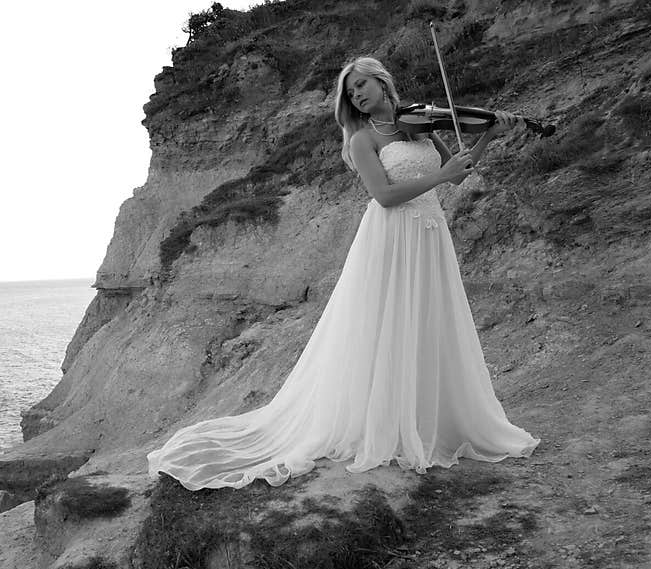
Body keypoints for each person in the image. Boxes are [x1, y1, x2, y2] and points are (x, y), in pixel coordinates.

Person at [146, 56, 540, 491]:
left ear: (382, 83)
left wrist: (487, 135)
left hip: (429, 234)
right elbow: (385, 196)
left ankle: (430, 419)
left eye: (361, 86)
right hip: (392, 237)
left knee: (430, 321)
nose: (356, 95)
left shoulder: (419, 125)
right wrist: (441, 175)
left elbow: (458, 176)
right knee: (386, 326)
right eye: (351, 92)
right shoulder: (362, 140)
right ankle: (386, 424)